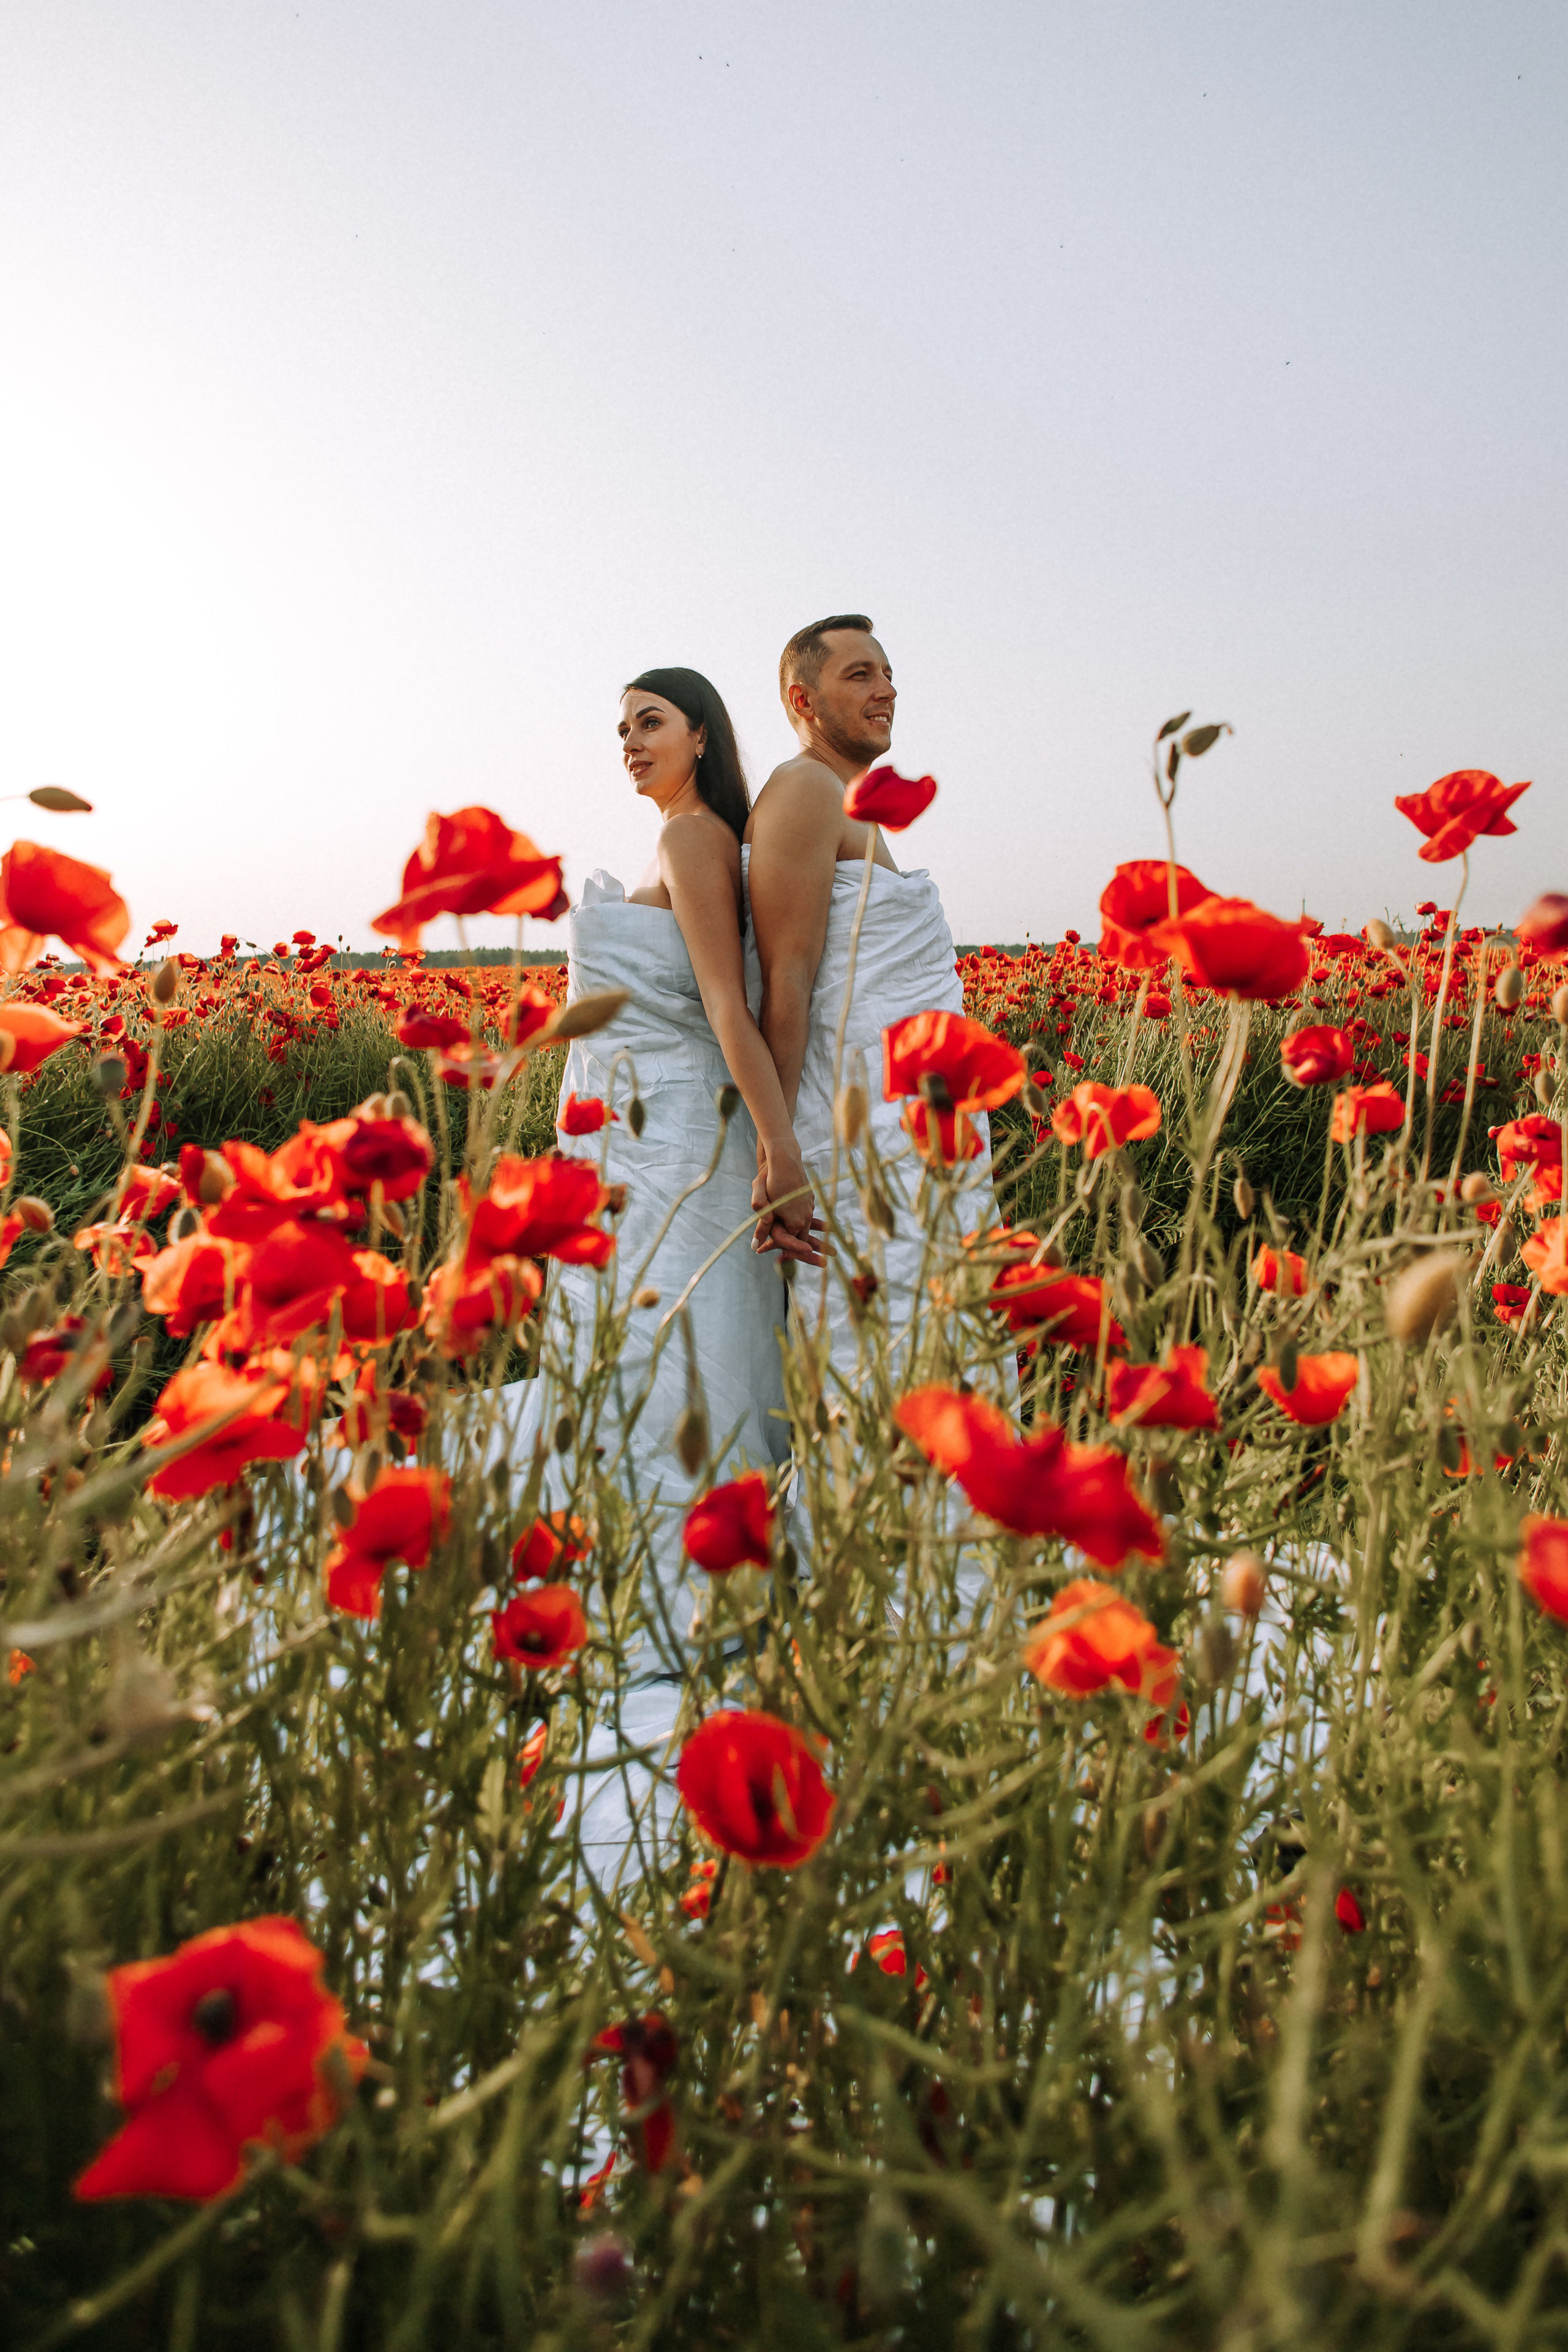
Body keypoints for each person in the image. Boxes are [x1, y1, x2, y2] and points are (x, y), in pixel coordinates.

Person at [519, 665, 816, 1619]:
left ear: (701, 736)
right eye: (622, 729)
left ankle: (686, 1579)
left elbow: (729, 1007)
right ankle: (685, 1561)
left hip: (676, 1140)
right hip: (647, 1138)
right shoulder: (696, 839)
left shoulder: (691, 838)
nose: (630, 743)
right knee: (672, 1338)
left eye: (650, 723)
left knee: (680, 1341)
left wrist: (778, 1149)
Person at [743, 614, 996, 1377]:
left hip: (914, 1133)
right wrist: (778, 1151)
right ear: (803, 699)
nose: (885, 690)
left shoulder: (843, 800)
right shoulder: (805, 789)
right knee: (886, 1351)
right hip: (859, 1138)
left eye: (887, 675)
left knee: (942, 1346)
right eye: (860, 675)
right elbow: (786, 982)